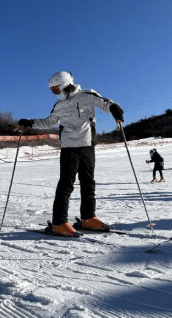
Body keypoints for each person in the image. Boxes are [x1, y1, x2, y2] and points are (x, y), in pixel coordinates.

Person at [18, 71, 123, 237]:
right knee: (66, 183)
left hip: (87, 144)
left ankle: (88, 218)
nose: (55, 93)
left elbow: (106, 104)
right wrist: (29, 123)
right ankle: (59, 222)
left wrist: (115, 110)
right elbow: (48, 122)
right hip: (68, 147)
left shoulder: (88, 95)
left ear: (64, 85)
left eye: (56, 90)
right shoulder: (59, 106)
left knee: (88, 182)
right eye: (53, 91)